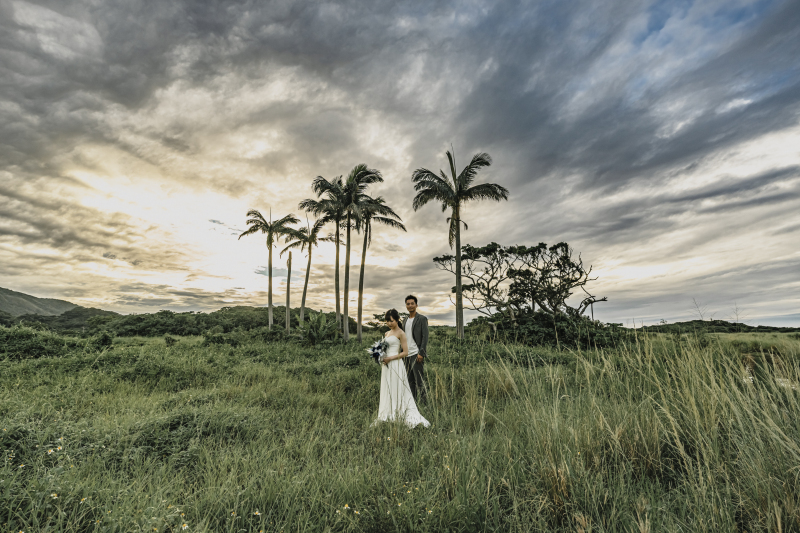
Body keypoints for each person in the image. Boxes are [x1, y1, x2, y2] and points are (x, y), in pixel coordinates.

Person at [374, 309, 430, 428]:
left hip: (396, 364)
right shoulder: (386, 333)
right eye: (387, 321)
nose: (389, 323)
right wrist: (380, 356)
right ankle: (388, 411)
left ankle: (399, 411)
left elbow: (405, 352)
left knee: (397, 387)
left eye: (392, 321)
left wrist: (390, 358)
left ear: (397, 319)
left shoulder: (401, 333)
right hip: (386, 365)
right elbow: (384, 349)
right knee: (388, 387)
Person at [402, 295, 428, 404]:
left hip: (416, 354)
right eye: (408, 304)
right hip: (406, 355)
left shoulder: (422, 319)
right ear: (406, 306)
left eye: (412, 303)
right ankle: (413, 405)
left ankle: (424, 404)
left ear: (416, 305)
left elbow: (425, 337)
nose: (410, 305)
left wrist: (421, 353)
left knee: (420, 381)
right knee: (410, 381)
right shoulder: (404, 320)